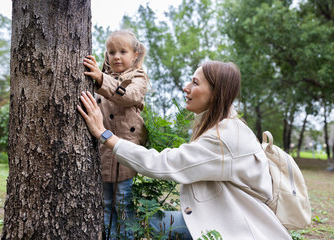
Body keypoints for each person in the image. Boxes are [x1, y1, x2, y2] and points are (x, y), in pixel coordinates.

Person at [77, 61, 292, 239]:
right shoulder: (226, 126)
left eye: (195, 83)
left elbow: (165, 163)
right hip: (228, 221)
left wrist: (104, 134)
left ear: (216, 93)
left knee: (132, 223)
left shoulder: (224, 137)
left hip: (238, 231)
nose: (186, 88)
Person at [82, 29, 149, 239]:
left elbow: (129, 96)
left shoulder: (138, 76)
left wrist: (102, 79)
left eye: (122, 51)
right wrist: (100, 76)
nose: (116, 56)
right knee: (106, 204)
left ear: (135, 54)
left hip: (126, 150)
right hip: (103, 152)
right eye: (111, 52)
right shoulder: (101, 78)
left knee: (123, 203)